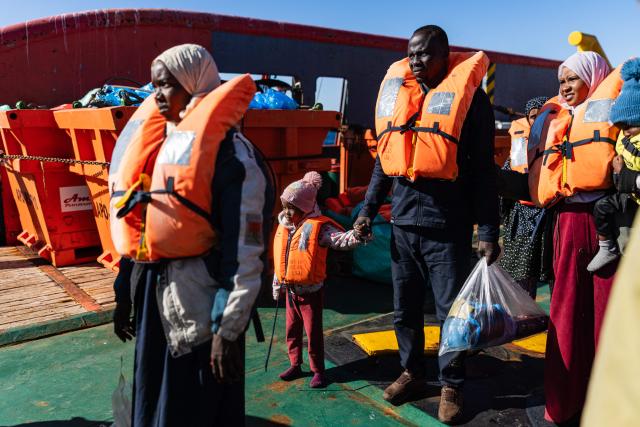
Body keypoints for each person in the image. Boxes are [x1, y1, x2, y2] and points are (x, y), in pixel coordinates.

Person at [109, 44, 274, 426]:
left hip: (199, 312)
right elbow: (141, 226)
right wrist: (123, 293)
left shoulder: (232, 154)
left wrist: (228, 329)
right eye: (155, 87)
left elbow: (244, 252)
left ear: (194, 85)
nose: (158, 96)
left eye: (167, 85)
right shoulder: (157, 147)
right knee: (153, 403)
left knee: (195, 408)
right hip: (154, 301)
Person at [353, 25, 500, 424]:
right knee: (404, 309)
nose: (417, 62)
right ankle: (412, 372)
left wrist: (488, 230)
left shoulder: (472, 103)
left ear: (445, 54)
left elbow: (485, 171)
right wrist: (367, 211)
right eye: (412, 54)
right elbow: (387, 159)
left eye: (426, 54)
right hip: (403, 225)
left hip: (447, 227)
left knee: (450, 312)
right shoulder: (402, 97)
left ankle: (452, 383)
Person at [526, 51, 622, 424]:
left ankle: (609, 407)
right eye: (560, 81)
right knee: (564, 310)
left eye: (572, 79)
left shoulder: (619, 111)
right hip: (566, 221)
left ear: (593, 78)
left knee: (606, 316)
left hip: (608, 223)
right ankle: (562, 404)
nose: (565, 88)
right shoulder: (557, 119)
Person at [272, 171, 367, 388]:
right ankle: (295, 364)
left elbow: (339, 240)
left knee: (313, 334)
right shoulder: (285, 226)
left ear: (304, 207)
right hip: (290, 292)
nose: (286, 212)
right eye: (285, 207)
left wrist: (358, 235)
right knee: (291, 331)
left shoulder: (319, 227)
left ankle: (318, 371)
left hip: (310, 293)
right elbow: (281, 259)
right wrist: (277, 284)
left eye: (291, 208)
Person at [587, 58, 640, 272]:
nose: (625, 130)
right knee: (602, 207)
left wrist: (624, 173)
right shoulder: (623, 136)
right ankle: (606, 246)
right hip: (628, 199)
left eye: (631, 125)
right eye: (620, 125)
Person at [498, 96, 551, 298]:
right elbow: (508, 172)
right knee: (521, 275)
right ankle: (523, 314)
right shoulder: (519, 145)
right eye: (533, 117)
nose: (538, 121)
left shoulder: (559, 141)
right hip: (522, 215)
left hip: (548, 213)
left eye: (543, 117)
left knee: (550, 270)